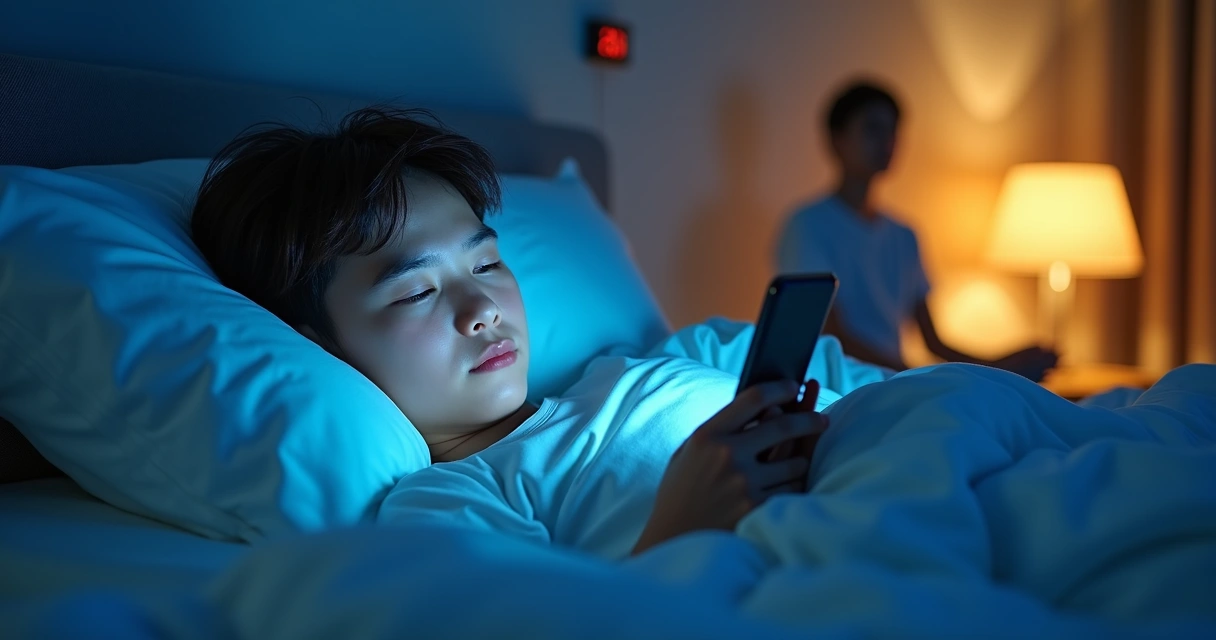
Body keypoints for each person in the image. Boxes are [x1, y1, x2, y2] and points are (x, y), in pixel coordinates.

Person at [190, 108, 890, 561]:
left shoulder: (682, 356)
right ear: (322, 347)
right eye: (416, 291)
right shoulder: (454, 504)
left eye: (487, 264)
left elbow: (900, 397)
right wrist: (680, 532)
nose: (482, 308)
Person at [775, 81, 1059, 380]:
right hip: (839, 386)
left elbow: (934, 342)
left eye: (892, 130)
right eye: (872, 129)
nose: (886, 141)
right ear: (836, 140)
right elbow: (831, 336)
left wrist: (999, 366)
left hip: (894, 382)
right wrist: (915, 378)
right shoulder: (807, 226)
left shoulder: (903, 235)